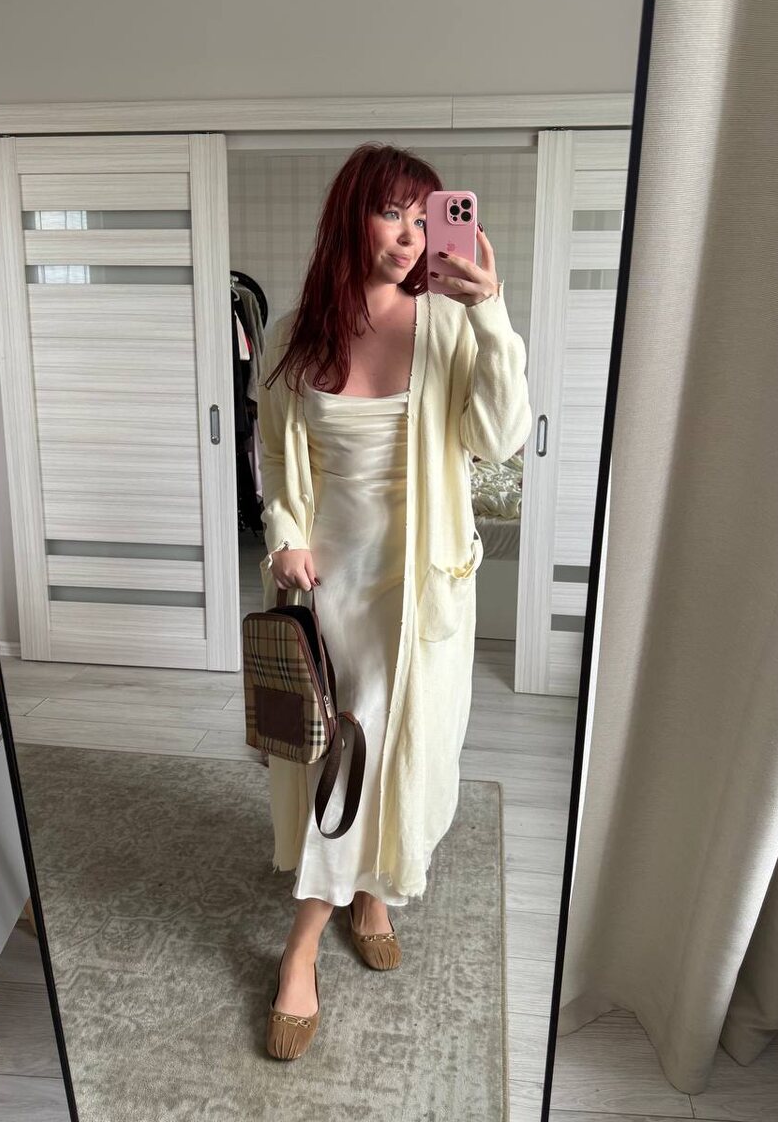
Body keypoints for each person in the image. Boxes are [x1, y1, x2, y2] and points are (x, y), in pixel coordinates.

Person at [256, 143, 532, 1060]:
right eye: (392, 214)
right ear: (352, 216)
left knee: (390, 747)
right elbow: (278, 455)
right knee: (339, 752)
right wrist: (284, 533)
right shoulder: (296, 333)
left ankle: (341, 913)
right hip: (328, 581)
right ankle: (329, 924)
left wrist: (490, 312)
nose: (412, 236)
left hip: (421, 585)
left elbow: (499, 438)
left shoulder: (450, 324)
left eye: (425, 217)